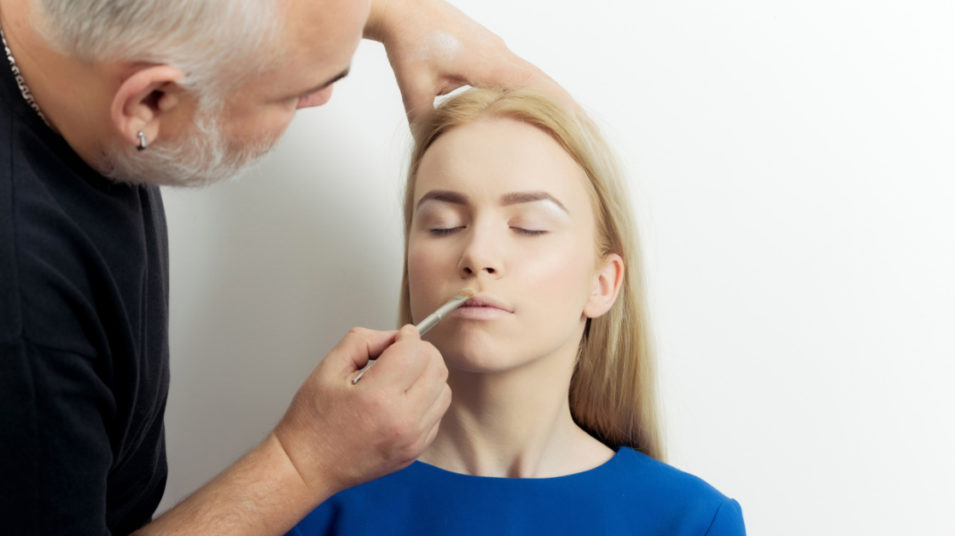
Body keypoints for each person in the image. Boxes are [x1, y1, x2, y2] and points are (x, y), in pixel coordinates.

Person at [0, 0, 565, 534]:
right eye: (293, 94)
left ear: (607, 280)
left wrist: (390, 13)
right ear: (149, 103)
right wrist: (303, 462)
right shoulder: (27, 318)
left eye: (531, 227)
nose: (318, 98)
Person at [288, 89, 746, 535]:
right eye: (444, 225)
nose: (478, 254)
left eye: (529, 226)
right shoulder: (314, 501)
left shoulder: (690, 521)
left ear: (602, 284)